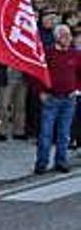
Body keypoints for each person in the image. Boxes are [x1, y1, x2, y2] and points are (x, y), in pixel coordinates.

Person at [34, 25, 80, 174]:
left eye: (68, 35)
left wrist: (77, 89)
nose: (67, 38)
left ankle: (61, 161)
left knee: (64, 133)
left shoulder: (76, 54)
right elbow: (38, 72)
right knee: (46, 132)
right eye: (63, 35)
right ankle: (42, 162)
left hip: (69, 99)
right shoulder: (48, 54)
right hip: (51, 98)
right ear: (56, 37)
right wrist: (41, 91)